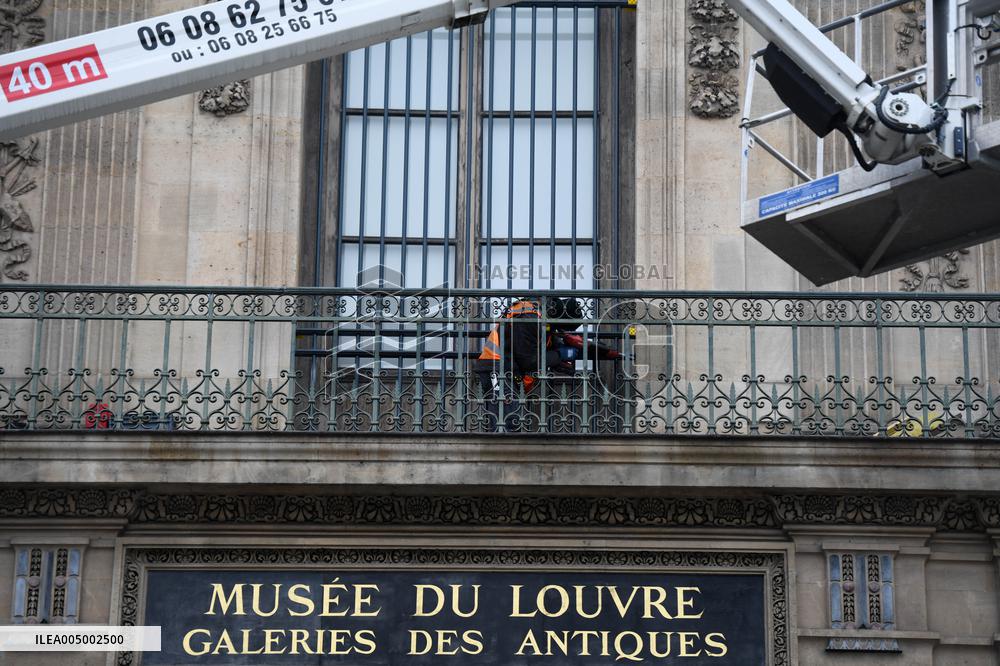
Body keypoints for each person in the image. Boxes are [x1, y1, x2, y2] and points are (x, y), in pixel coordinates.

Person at [473, 297, 583, 431]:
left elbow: (541, 347)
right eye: (561, 328)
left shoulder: (543, 319)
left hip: (508, 369)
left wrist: (561, 357)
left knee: (510, 422)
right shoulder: (528, 318)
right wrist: (560, 354)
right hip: (496, 368)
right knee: (506, 422)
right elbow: (529, 360)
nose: (560, 332)